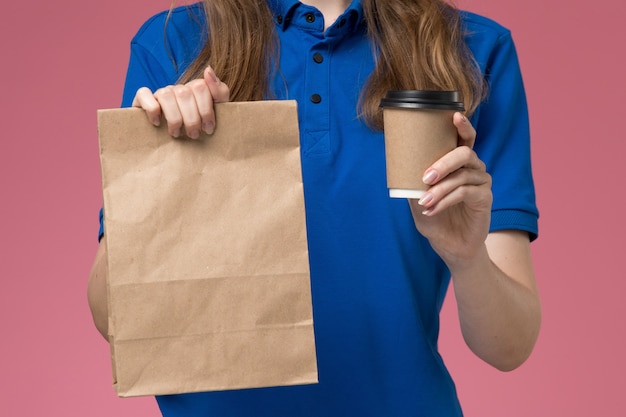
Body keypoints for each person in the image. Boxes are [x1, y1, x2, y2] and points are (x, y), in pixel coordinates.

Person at [88, 0, 542, 415]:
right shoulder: (176, 41)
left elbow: (510, 344)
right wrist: (159, 172)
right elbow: (113, 317)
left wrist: (467, 257)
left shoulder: (470, 48)